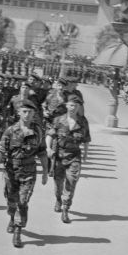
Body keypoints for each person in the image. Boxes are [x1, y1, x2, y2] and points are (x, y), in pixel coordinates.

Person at [0, 99, 49, 248]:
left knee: (22, 202)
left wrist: (45, 171)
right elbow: (0, 148)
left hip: (29, 172)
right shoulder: (11, 130)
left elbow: (42, 152)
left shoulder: (38, 131)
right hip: (11, 172)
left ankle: (18, 230)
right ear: (18, 112)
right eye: (24, 111)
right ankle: (12, 217)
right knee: (11, 201)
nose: (27, 114)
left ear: (34, 114)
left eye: (30, 112)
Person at [46, 95, 90, 223]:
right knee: (58, 183)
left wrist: (86, 153)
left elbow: (86, 139)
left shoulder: (83, 121)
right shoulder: (59, 120)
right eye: (70, 105)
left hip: (74, 156)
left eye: (75, 106)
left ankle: (65, 208)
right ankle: (58, 199)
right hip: (59, 156)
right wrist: (48, 148)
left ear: (79, 107)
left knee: (72, 181)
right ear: (66, 105)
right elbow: (49, 135)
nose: (72, 108)